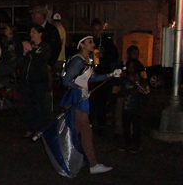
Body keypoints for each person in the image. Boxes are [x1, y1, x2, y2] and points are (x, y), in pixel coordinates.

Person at [59, 36, 121, 174]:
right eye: (90, 42)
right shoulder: (78, 61)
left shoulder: (86, 60)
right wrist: (80, 89)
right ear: (81, 45)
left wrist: (110, 75)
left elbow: (92, 78)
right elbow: (66, 80)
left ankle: (69, 159)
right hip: (75, 98)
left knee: (77, 131)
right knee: (84, 130)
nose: (93, 44)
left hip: (81, 97)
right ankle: (90, 164)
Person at [20, 25, 53, 139]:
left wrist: (31, 51)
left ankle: (40, 129)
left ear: (40, 34)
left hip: (39, 81)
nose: (31, 34)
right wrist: (25, 53)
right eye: (30, 32)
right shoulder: (31, 46)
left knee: (39, 105)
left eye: (34, 32)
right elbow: (24, 62)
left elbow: (41, 60)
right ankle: (31, 128)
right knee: (29, 105)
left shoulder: (45, 47)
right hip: (28, 80)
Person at [118, 45, 149, 152]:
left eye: (132, 67)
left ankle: (136, 144)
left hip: (136, 106)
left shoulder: (140, 78)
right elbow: (122, 90)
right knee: (126, 126)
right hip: (127, 106)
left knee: (136, 127)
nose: (130, 69)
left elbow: (145, 91)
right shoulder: (126, 78)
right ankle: (127, 143)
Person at [52, 13, 67, 77]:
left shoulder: (57, 30)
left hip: (58, 57)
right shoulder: (62, 29)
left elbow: (58, 43)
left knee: (56, 76)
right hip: (61, 57)